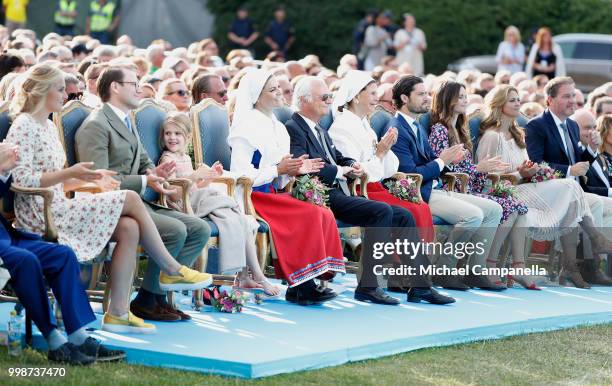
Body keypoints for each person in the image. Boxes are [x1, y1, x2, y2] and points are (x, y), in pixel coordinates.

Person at [6, 64, 212, 333]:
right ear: (42, 91)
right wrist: (72, 174)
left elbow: (59, 178)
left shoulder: (46, 126)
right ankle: (171, 268)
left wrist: (88, 178)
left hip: (59, 203)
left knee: (130, 227)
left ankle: (117, 313)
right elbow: (20, 181)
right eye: (59, 89)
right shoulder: (24, 125)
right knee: (128, 196)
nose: (64, 95)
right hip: (41, 211)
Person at [288, 74, 453, 305]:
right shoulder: (300, 127)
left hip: (344, 188)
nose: (328, 100)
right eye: (323, 97)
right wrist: (354, 165)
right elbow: (308, 165)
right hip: (328, 193)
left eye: (329, 96)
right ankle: (368, 286)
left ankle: (420, 287)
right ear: (305, 100)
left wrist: (351, 163)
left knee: (404, 215)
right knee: (382, 211)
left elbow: (342, 159)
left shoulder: (323, 129)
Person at [75, 66, 212, 322]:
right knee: (177, 230)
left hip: (136, 202)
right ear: (115, 87)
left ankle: (150, 297)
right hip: (110, 205)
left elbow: (143, 161)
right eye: (133, 84)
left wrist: (155, 173)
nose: (138, 88)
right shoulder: (97, 124)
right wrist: (144, 179)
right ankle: (153, 297)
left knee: (199, 229)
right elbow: (99, 179)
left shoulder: (126, 119)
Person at [0, 142, 125, 364]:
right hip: (5, 245)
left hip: (7, 236)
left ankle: (78, 336)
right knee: (26, 260)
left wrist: (4, 170)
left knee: (63, 254)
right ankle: (55, 341)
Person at [228, 69, 345, 305]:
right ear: (256, 96)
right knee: (308, 214)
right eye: (272, 89)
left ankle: (308, 281)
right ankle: (302, 285)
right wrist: (278, 170)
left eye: (278, 87)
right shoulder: (245, 127)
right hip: (252, 196)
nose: (279, 92)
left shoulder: (277, 125)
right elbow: (242, 175)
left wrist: (295, 169)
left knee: (322, 211)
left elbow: (281, 173)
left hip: (274, 192)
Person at [478, 84, 612, 289]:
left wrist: (533, 172)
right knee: (570, 187)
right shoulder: (491, 136)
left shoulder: (518, 135)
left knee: (571, 192)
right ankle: (591, 243)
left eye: (518, 99)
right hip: (506, 190)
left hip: (525, 185)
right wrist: (520, 173)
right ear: (499, 104)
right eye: (512, 100)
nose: (517, 103)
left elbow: (533, 166)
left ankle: (573, 264)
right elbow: (486, 177)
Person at [389, 75, 506, 291]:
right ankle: (445, 269)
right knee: (473, 216)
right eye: (421, 94)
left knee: (494, 209)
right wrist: (443, 160)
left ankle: (474, 270)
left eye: (427, 93)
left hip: (437, 188)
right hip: (418, 192)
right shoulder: (397, 128)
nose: (427, 98)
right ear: (404, 98)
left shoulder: (415, 126)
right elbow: (410, 174)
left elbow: (435, 162)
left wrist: (449, 161)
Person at [427, 81, 536, 288]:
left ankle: (475, 269)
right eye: (460, 96)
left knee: (508, 207)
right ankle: (446, 268)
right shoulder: (440, 130)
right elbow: (440, 169)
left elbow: (471, 172)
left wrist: (482, 170)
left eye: (466, 96)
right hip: (446, 189)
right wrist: (478, 168)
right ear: (447, 99)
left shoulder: (461, 129)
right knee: (503, 208)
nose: (465, 100)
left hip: (467, 189)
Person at [159, 112, 281, 296]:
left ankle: (247, 276)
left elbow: (195, 187)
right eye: (168, 133)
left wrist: (209, 177)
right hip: (184, 206)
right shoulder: (167, 159)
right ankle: (256, 276)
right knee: (235, 216)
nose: (172, 138)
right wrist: (195, 176)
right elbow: (175, 194)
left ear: (188, 137)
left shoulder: (185, 157)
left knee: (241, 221)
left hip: (197, 200)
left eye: (178, 133)